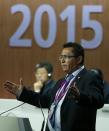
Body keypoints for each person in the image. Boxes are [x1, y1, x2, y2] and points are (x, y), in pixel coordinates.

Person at [4, 42, 104, 131]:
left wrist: (80, 96)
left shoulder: (90, 77)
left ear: (79, 59)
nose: (62, 61)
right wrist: (22, 93)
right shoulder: (62, 81)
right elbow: (46, 100)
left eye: (67, 57)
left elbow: (99, 101)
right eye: (61, 57)